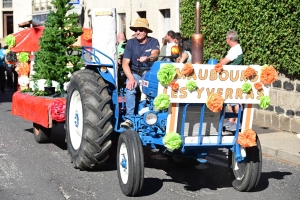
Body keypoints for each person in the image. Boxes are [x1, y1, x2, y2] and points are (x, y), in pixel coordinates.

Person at [120, 18, 160, 128]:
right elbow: (125, 63)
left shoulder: (153, 42)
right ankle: (129, 118)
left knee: (160, 88)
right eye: (136, 30)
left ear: (146, 31)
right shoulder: (131, 43)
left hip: (150, 73)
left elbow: (155, 54)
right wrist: (131, 78)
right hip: (135, 73)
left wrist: (147, 58)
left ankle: (157, 116)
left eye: (140, 30)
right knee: (130, 87)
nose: (137, 32)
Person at [219, 30, 243, 131]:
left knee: (235, 101)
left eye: (226, 39)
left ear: (229, 39)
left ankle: (237, 122)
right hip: (232, 78)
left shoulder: (235, 49)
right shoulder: (235, 48)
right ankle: (232, 120)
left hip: (234, 79)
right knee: (231, 100)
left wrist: (220, 62)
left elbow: (224, 62)